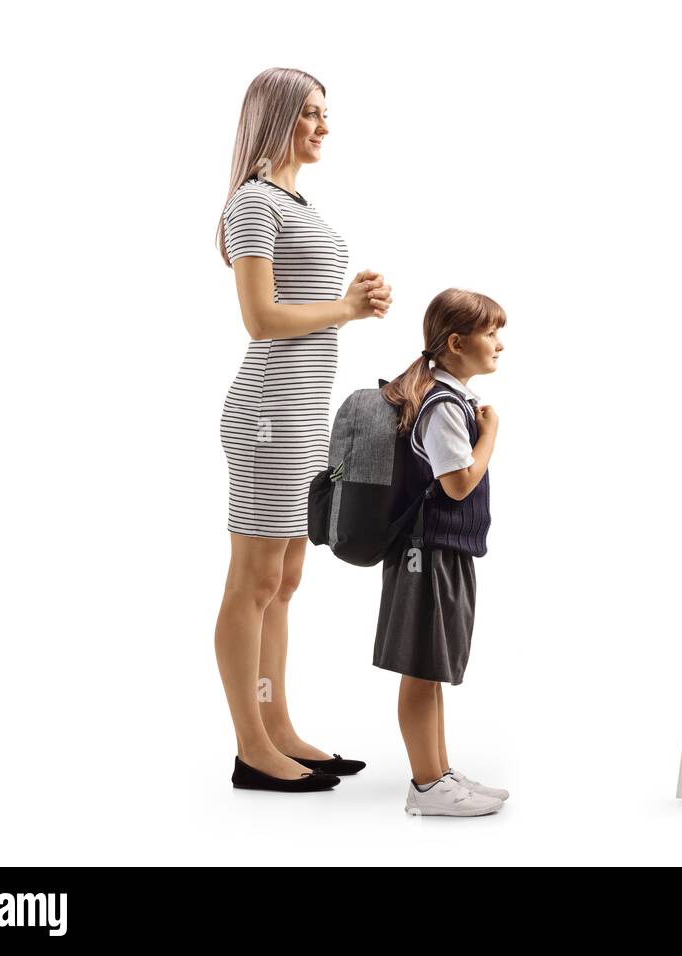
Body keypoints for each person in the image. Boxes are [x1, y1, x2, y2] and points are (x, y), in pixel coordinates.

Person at [214, 67, 392, 792]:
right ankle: (252, 748)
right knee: (254, 581)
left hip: (299, 413)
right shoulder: (254, 204)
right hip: (265, 414)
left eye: (327, 114)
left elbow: (311, 301)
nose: (322, 126)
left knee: (285, 580)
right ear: (277, 116)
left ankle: (279, 727)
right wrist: (346, 310)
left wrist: (359, 300)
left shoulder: (296, 202)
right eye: (310, 114)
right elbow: (260, 319)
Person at [376, 289, 509, 816]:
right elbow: (457, 484)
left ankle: (439, 774)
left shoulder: (440, 394)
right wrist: (491, 434)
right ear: (456, 342)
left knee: (432, 668)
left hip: (441, 550)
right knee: (421, 669)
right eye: (491, 332)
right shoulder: (443, 404)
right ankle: (428, 786)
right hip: (426, 552)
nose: (500, 343)